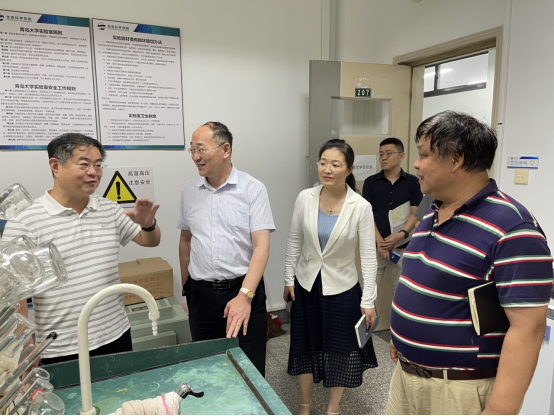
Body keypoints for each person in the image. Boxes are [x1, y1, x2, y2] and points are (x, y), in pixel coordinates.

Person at [387, 111, 553, 415]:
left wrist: (500, 409)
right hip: (407, 376)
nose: (416, 164)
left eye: (423, 155)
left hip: (458, 390)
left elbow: (528, 328)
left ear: (456, 159)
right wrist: (403, 334)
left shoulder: (513, 229)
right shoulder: (434, 210)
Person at [2, 133, 161, 365]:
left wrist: (148, 225)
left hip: (116, 334)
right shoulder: (26, 221)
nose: (94, 172)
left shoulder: (109, 209)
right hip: (61, 346)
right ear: (55, 166)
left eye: (98, 165)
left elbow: (150, 241)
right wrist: (23, 346)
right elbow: (11, 293)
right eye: (84, 164)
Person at [284, 139, 378, 416]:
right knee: (303, 345)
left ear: (349, 169)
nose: (327, 169)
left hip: (343, 287)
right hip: (306, 284)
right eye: (323, 162)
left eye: (335, 164)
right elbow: (294, 240)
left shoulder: (360, 206)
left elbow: (368, 256)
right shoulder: (305, 197)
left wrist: (368, 299)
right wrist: (288, 278)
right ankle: (304, 404)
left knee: (339, 348)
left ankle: (333, 408)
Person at [176, 122, 275, 377]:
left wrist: (245, 296)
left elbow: (261, 246)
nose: (195, 157)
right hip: (201, 295)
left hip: (242, 290)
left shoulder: (252, 189)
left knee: (248, 369)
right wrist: (188, 288)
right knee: (206, 369)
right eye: (192, 150)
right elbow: (185, 240)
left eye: (201, 149)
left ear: (225, 149)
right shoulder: (189, 190)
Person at [362, 138, 423, 294]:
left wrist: (401, 235)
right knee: (367, 293)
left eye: (388, 153)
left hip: (401, 247)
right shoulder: (370, 182)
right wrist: (379, 242)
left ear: (401, 156)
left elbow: (415, 213)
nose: (384, 157)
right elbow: (366, 216)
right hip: (375, 248)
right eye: (381, 154)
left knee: (400, 293)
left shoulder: (413, 182)